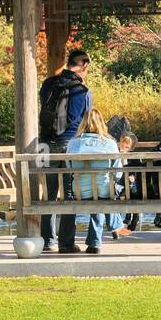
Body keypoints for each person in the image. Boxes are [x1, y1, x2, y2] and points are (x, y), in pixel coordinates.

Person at [37, 48, 92, 252]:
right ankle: (66, 243)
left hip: (43, 144)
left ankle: (46, 241)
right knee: (69, 193)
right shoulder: (82, 91)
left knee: (48, 194)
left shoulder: (48, 84)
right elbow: (83, 122)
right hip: (69, 144)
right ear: (84, 65)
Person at [63, 108, 120, 254]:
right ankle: (99, 239)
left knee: (97, 195)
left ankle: (100, 238)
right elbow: (118, 172)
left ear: (83, 123)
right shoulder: (110, 143)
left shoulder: (73, 144)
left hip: (80, 191)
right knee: (103, 195)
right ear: (101, 123)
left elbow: (69, 167)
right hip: (104, 190)